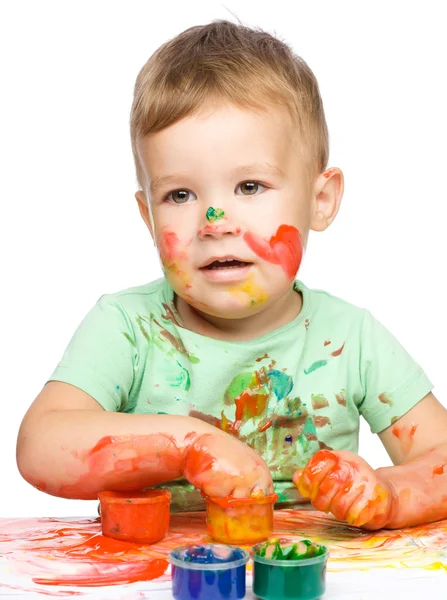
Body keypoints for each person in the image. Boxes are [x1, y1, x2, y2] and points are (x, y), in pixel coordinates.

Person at [17, 20, 447, 531]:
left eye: (249, 185)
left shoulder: (350, 337)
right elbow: (39, 445)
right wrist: (187, 445)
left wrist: (390, 494)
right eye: (180, 195)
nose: (215, 222)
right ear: (147, 217)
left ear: (320, 201)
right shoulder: (127, 327)